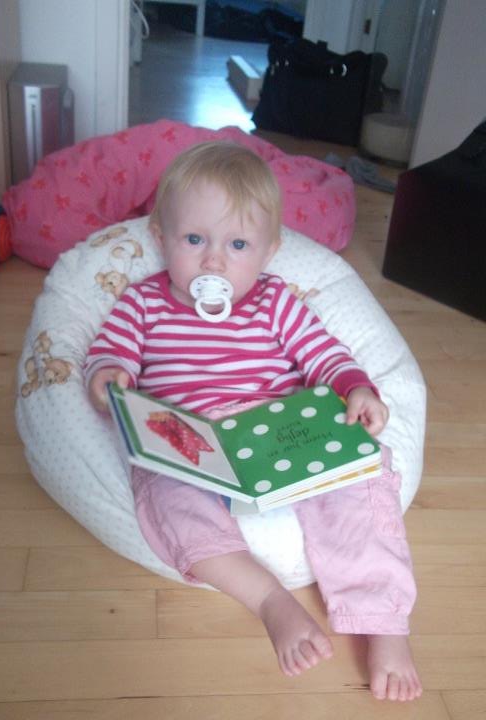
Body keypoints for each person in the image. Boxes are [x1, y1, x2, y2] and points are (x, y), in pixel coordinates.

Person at [84, 141, 422, 702]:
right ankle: (269, 599)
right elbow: (108, 355)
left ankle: (384, 622)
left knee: (361, 478)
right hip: (188, 435)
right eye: (194, 240)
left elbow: (323, 353)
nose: (213, 262)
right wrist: (110, 378)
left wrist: (355, 388)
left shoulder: (275, 302)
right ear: (161, 236)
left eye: (237, 245)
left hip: (278, 428)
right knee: (165, 495)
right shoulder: (143, 303)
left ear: (269, 251)